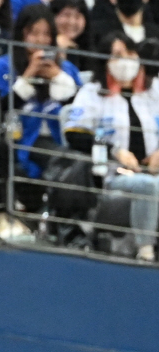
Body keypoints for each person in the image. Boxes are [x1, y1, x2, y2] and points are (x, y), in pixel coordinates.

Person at [68, 34, 159, 258]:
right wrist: (114, 152)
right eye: (117, 55)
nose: (126, 60)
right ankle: (146, 252)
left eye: (130, 53)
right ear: (105, 61)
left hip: (153, 167)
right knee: (148, 186)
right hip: (112, 174)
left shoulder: (154, 88)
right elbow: (74, 134)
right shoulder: (92, 92)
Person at [0, 5, 80, 215]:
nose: (40, 40)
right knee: (68, 162)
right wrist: (27, 77)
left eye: (46, 34)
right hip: (21, 141)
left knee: (77, 160)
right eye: (33, 33)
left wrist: (58, 78)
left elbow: (80, 107)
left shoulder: (66, 68)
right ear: (22, 34)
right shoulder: (2, 67)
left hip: (62, 139)